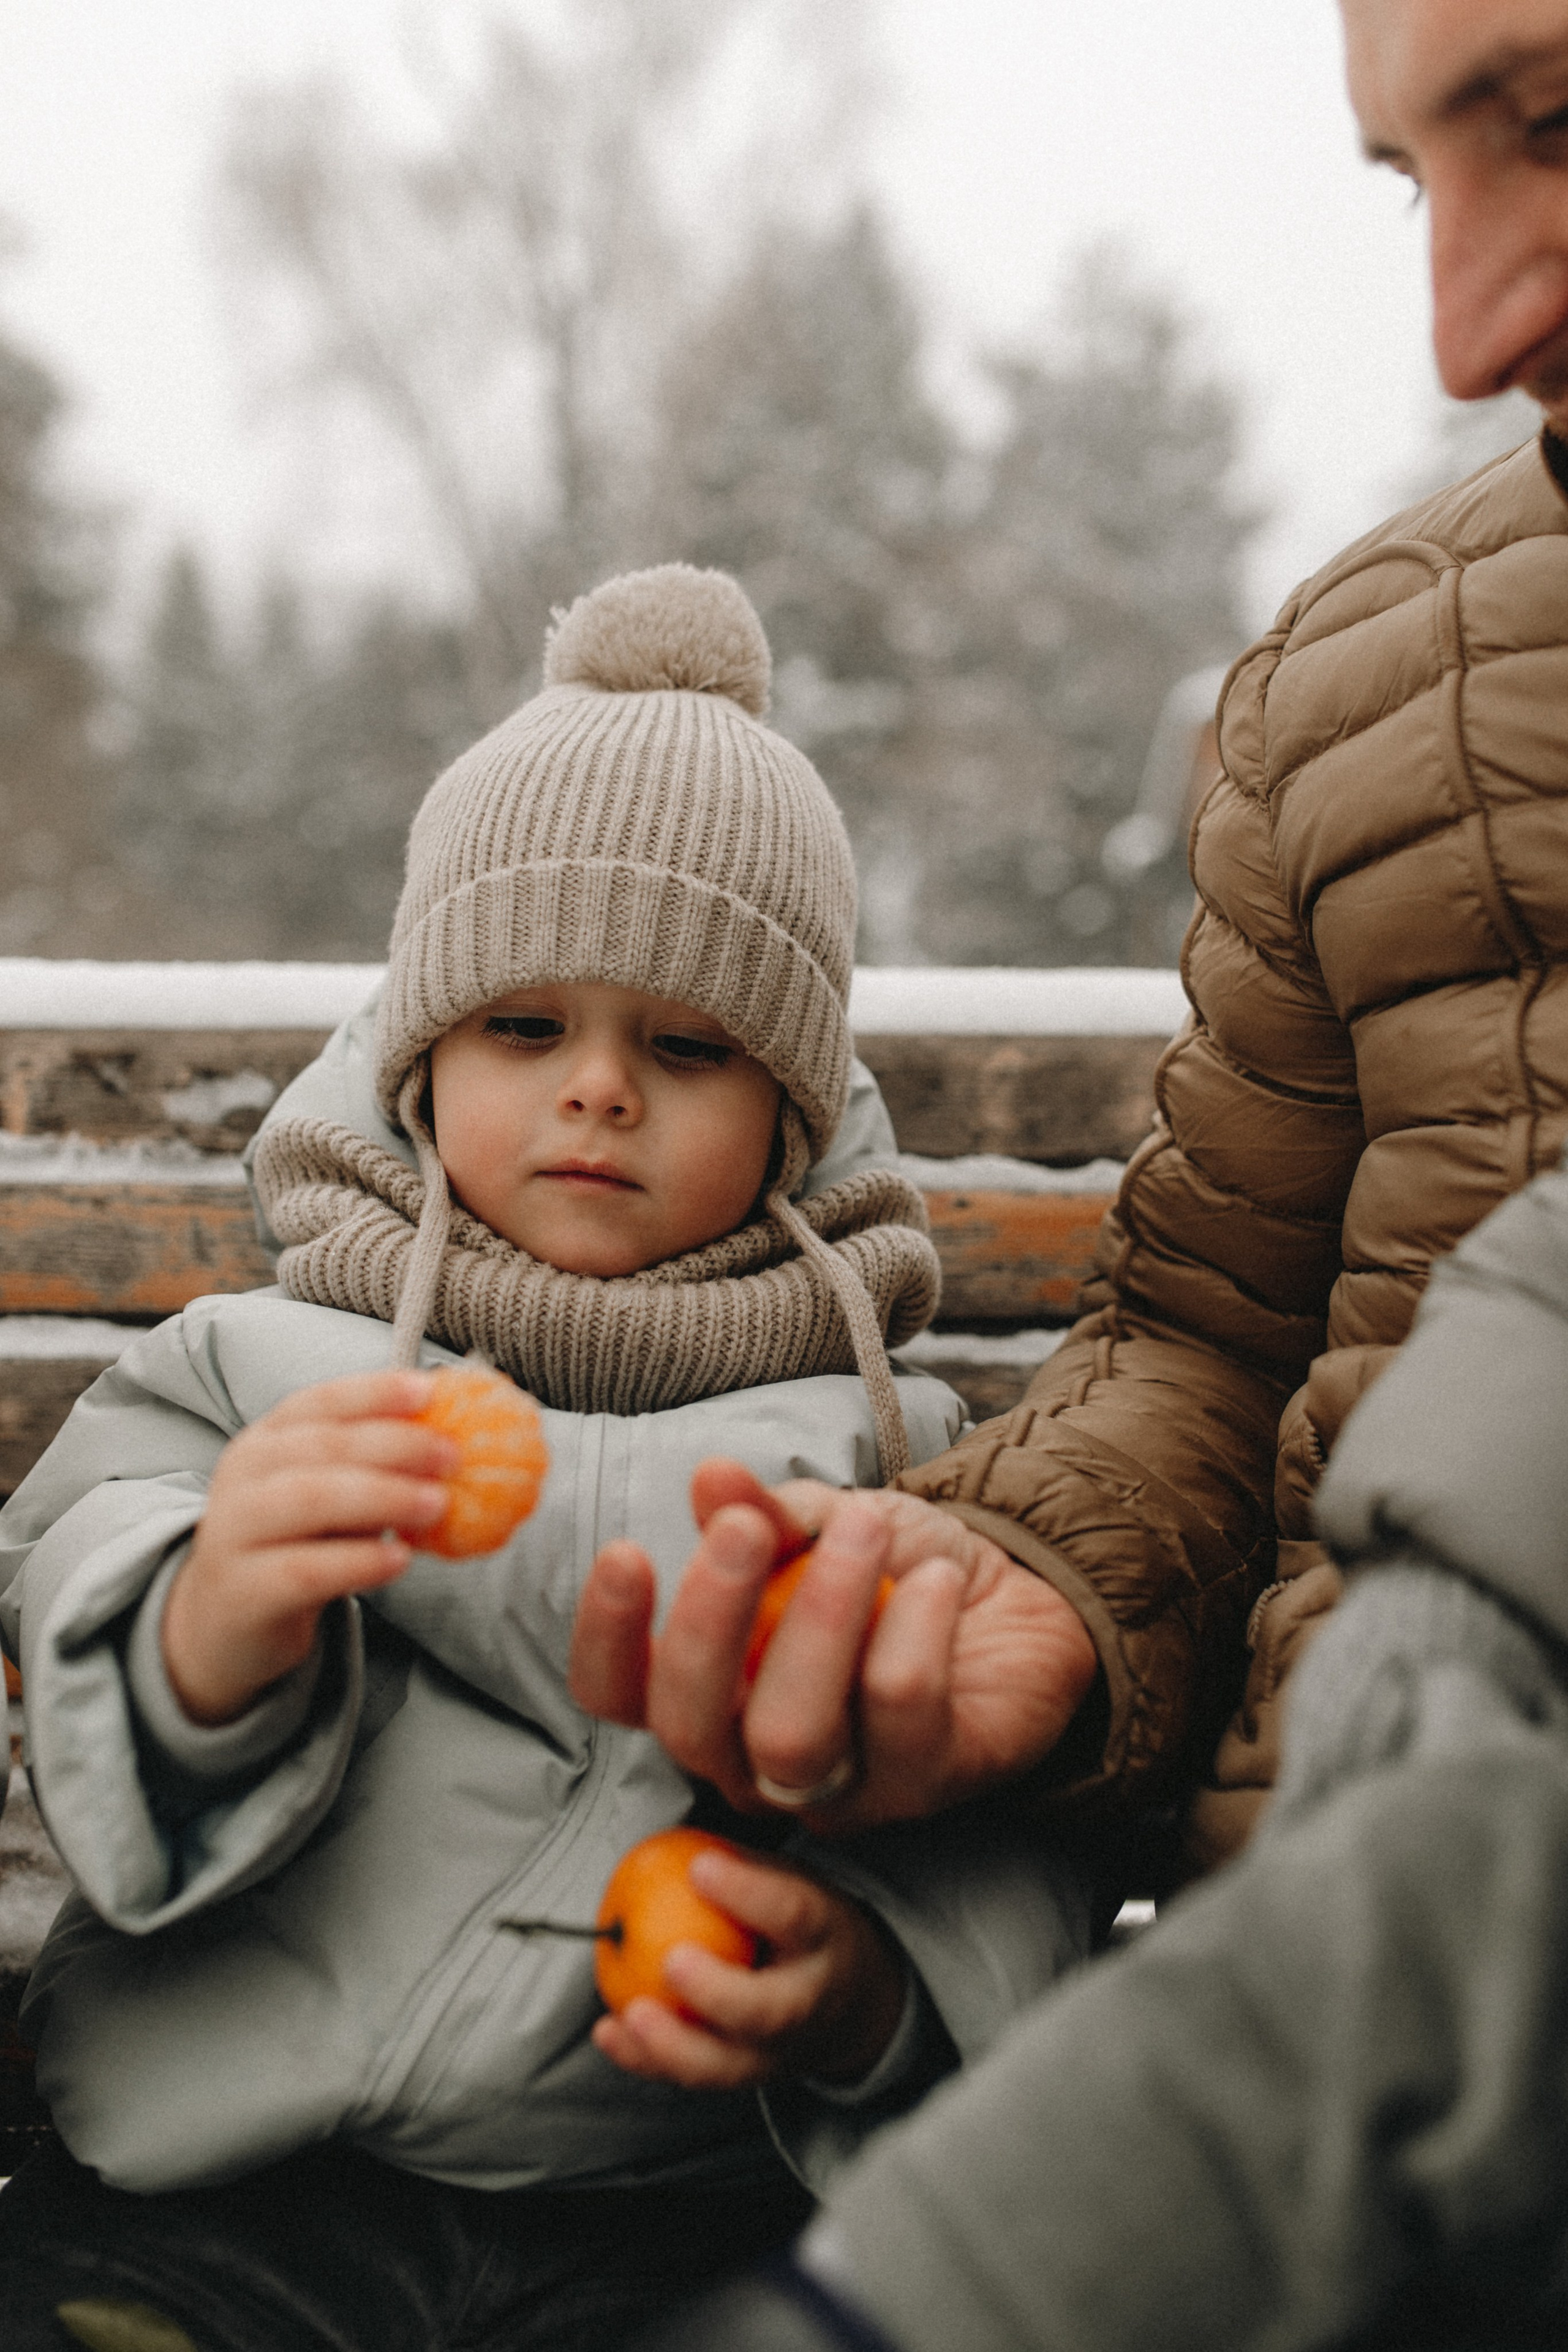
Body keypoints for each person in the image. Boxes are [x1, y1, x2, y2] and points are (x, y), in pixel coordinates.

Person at [621, 2, 1568, 2345]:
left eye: (1552, 120)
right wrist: (1032, 1611)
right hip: (1291, 2128)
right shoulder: (1366, 692)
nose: (1469, 325)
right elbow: (1218, 1336)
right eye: (1405, 178)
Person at [0, 567, 1095, 2351]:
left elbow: (1001, 1828)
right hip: (223, 2188)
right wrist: (210, 1625)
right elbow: (79, 1581)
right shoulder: (259, 1371)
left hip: (679, 2214)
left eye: (688, 1045)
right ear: (424, 1065)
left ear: (797, 1116)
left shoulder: (897, 1450)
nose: (599, 1089)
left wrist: (874, 2001)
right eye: (526, 1027)